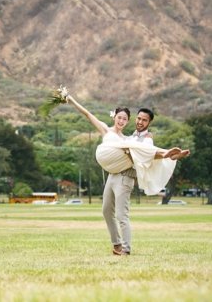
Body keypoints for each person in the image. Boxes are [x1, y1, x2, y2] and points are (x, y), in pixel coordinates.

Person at [65, 94, 189, 256]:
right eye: (120, 118)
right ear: (115, 117)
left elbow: (146, 154)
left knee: (122, 214)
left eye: (125, 119)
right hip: (112, 175)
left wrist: (137, 153)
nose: (123, 121)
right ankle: (116, 244)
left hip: (125, 177)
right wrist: (70, 99)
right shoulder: (123, 136)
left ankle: (126, 248)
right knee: (106, 211)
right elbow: (88, 114)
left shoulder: (139, 139)